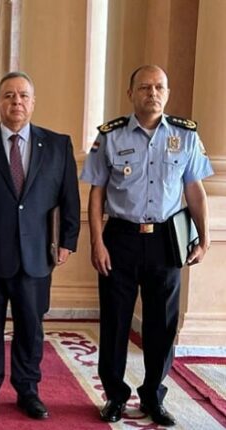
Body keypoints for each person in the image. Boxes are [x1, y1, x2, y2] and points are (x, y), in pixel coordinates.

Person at [80, 65, 212, 427]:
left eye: (159, 87)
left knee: (162, 325)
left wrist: (205, 236)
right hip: (120, 238)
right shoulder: (110, 136)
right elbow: (97, 193)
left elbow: (194, 190)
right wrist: (96, 241)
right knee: (115, 321)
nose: (152, 93)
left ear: (167, 93)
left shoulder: (185, 136)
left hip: (167, 241)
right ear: (130, 93)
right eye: (144, 87)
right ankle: (115, 396)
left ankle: (153, 394)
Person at [0, 71, 81, 420]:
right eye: (8, 95)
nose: (16, 102)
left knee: (31, 327)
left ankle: (28, 390)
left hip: (37, 257)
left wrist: (68, 240)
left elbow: (70, 198)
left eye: (23, 96)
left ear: (33, 102)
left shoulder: (57, 145)